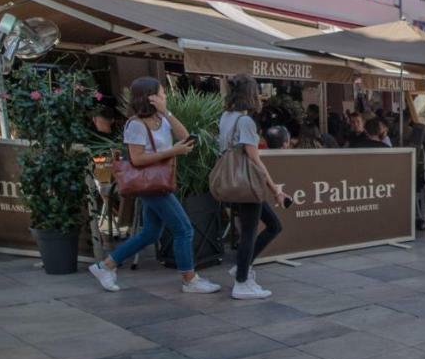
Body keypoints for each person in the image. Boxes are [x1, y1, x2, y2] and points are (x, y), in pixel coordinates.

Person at [89, 77, 221, 295]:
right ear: (149, 97)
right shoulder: (135, 125)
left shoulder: (162, 120)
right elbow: (137, 159)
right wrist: (172, 152)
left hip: (159, 182)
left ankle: (106, 266)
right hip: (149, 183)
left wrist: (166, 111)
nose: (165, 96)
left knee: (150, 233)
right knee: (184, 229)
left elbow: (185, 136)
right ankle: (190, 279)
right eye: (161, 94)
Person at [218, 74, 288, 300]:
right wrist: (274, 187)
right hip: (247, 183)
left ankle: (242, 267)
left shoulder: (226, 117)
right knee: (251, 231)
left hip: (233, 182)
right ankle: (241, 282)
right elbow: (254, 160)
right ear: (251, 94)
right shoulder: (245, 122)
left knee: (272, 225)